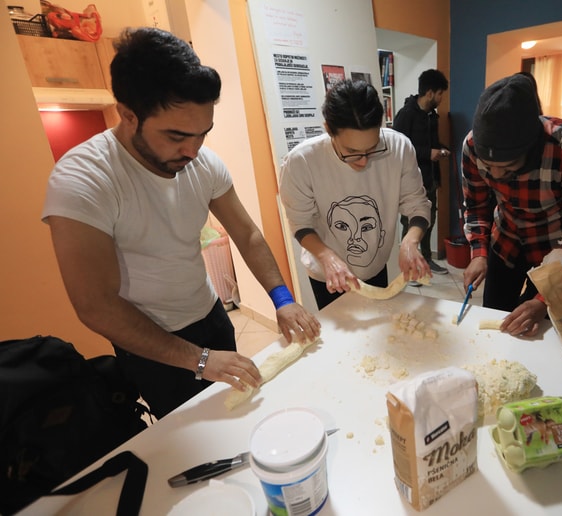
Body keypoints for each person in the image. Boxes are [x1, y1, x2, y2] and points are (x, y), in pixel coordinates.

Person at [41, 27, 321, 419]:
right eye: (175, 136)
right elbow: (95, 305)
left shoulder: (202, 163)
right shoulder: (83, 180)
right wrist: (201, 361)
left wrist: (283, 300)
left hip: (210, 315)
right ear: (127, 114)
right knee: (191, 441)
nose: (191, 150)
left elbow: (247, 233)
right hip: (151, 342)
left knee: (235, 418)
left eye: (202, 134)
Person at [461, 73, 562, 338]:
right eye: (488, 167)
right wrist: (479, 254)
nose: (496, 175)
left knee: (541, 334)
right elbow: (477, 207)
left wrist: (542, 301)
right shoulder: (471, 146)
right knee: (498, 326)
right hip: (506, 243)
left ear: (531, 147)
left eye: (508, 167)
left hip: (556, 253)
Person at [279, 79, 432, 310]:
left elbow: (417, 203)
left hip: (375, 266)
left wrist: (411, 241)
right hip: (329, 276)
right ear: (328, 129)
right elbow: (301, 224)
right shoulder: (301, 161)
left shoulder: (399, 147)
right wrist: (328, 257)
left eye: (372, 149)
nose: (363, 161)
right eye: (351, 152)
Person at [392, 69, 450, 277]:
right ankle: (407, 268)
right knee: (410, 224)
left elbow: (432, 144)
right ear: (430, 92)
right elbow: (397, 148)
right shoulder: (406, 114)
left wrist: (442, 149)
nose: (442, 98)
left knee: (428, 221)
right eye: (441, 93)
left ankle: (426, 260)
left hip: (430, 179)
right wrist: (428, 153)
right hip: (410, 182)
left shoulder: (432, 116)